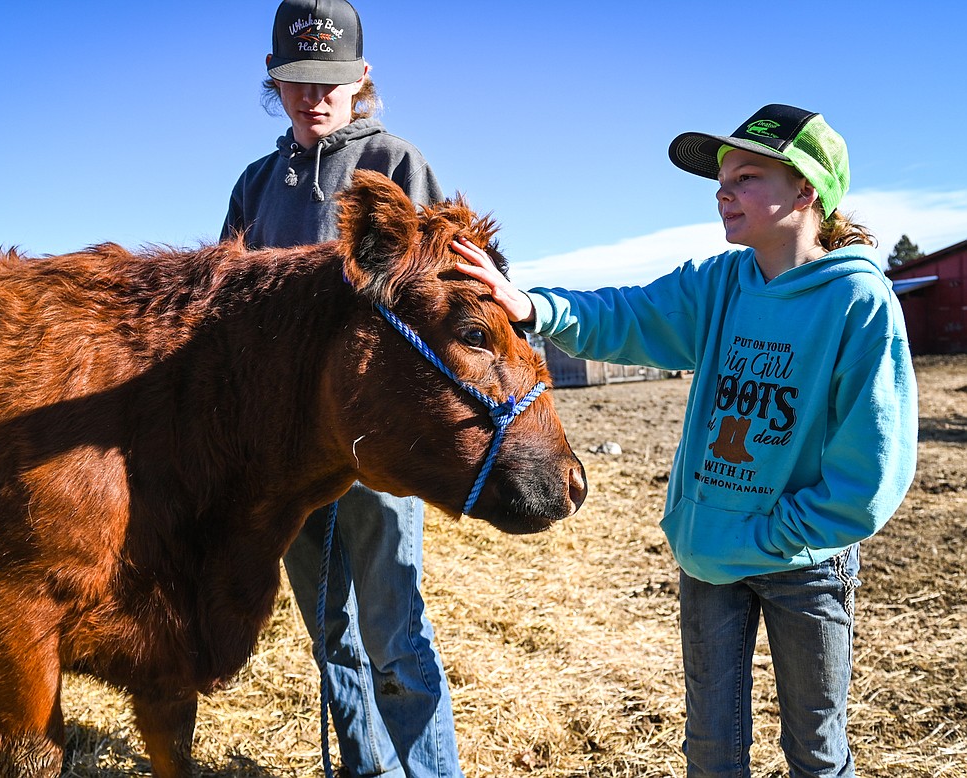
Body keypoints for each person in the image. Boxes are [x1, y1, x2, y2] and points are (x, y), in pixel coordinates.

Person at [453, 104, 918, 777]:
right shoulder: (719, 284)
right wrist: (530, 306)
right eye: (721, 180)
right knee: (711, 749)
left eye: (747, 176)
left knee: (816, 750)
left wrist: (775, 531)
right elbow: (627, 313)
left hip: (806, 565)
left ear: (807, 191)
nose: (724, 192)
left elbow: (870, 470)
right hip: (709, 559)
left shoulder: (857, 303)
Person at [220, 2, 463, 776]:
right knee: (331, 634)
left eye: (329, 80)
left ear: (361, 78)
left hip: (377, 447)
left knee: (395, 633)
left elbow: (446, 298)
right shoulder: (255, 185)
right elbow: (224, 310)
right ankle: (367, 768)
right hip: (289, 453)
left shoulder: (396, 164)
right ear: (274, 78)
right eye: (295, 79)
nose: (312, 96)